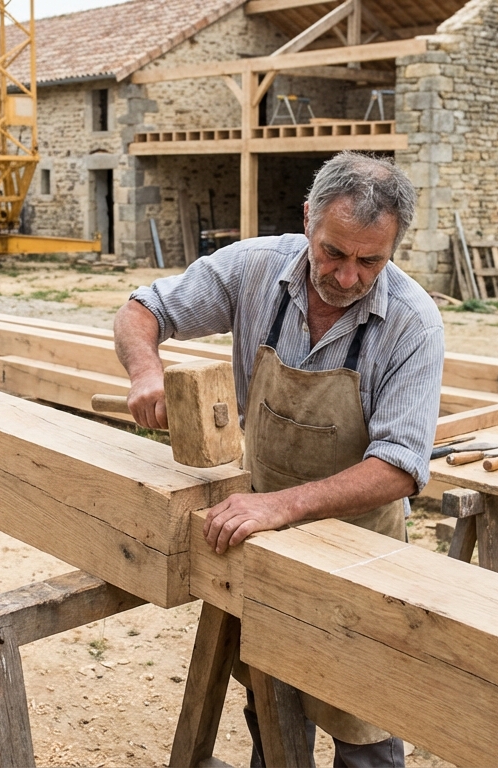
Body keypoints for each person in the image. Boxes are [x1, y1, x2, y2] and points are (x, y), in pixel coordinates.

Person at [112, 152, 444, 768]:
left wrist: (283, 505)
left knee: (362, 727)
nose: (347, 277)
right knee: (272, 704)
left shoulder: (413, 322)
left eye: (370, 260)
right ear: (307, 220)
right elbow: (142, 310)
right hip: (260, 536)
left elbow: (399, 465)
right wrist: (145, 370)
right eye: (332, 253)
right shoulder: (256, 269)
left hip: (358, 546)